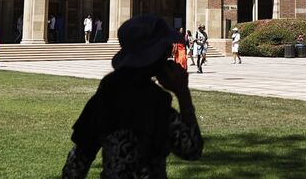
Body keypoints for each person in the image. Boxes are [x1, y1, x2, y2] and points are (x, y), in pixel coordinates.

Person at [61, 14, 203, 178]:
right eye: (165, 49)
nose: (168, 54)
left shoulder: (105, 96)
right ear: (155, 56)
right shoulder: (155, 102)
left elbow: (78, 160)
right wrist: (183, 93)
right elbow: (191, 149)